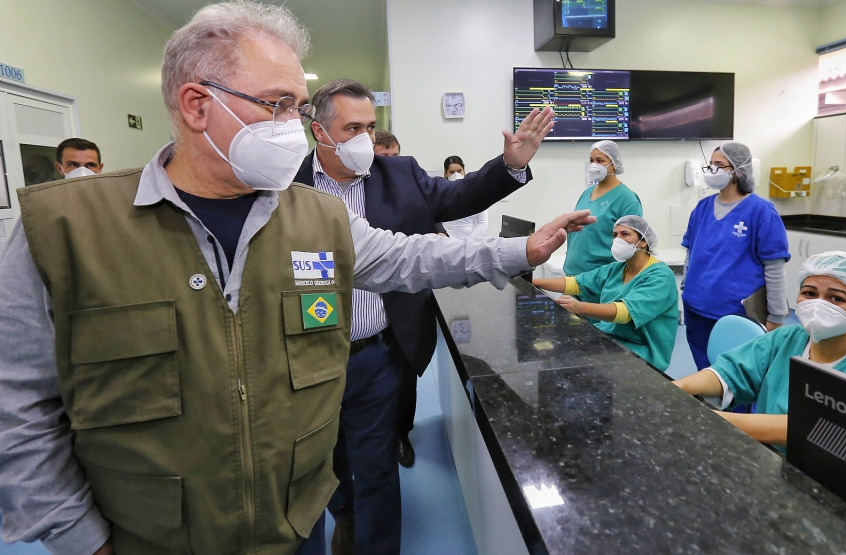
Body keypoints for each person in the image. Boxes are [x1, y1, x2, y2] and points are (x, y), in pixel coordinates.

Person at [0, 3, 591, 554]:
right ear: (197, 104)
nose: (293, 123)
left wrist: (520, 250)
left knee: (370, 471)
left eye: (297, 107)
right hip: (152, 532)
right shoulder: (60, 229)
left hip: (292, 518)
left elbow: (409, 258)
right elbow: (18, 406)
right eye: (277, 104)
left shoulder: (314, 215)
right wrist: (83, 540)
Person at [294, 80, 554, 554]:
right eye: (352, 128)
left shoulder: (399, 174)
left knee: (376, 467)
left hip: (374, 352)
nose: (364, 141)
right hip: (304, 361)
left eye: (370, 128)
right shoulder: (288, 183)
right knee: (322, 464)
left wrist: (511, 166)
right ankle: (344, 515)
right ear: (318, 131)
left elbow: (459, 198)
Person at [673, 251, 846, 449]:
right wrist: (673, 390)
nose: (818, 304)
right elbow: (730, 372)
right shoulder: (787, 340)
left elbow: (824, 429)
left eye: (836, 298)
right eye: (809, 293)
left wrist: (714, 420)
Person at [680, 142, 790, 370]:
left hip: (735, 313)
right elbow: (691, 254)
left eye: (719, 165)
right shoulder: (702, 208)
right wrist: (686, 286)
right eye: (710, 165)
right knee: (704, 370)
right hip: (697, 307)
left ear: (738, 170)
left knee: (736, 376)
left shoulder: (760, 211)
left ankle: (731, 409)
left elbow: (774, 267)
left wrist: (777, 316)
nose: (712, 170)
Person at [533, 216, 679, 370]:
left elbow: (625, 312)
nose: (618, 240)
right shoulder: (617, 268)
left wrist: (578, 307)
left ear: (643, 241)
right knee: (555, 350)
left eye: (625, 234)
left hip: (641, 350)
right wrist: (533, 281)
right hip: (610, 338)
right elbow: (575, 283)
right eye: (615, 235)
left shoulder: (660, 277)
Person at [563, 139, 642, 275]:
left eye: (600, 161)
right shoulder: (587, 193)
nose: (594, 165)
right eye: (592, 160)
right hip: (573, 274)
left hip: (601, 278)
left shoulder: (627, 199)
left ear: (614, 164)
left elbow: (632, 245)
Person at [441, 155, 488, 239]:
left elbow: (482, 223)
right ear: (446, 173)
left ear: (464, 170)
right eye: (452, 172)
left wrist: (469, 242)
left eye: (459, 171)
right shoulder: (440, 192)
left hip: (469, 239)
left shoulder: (476, 191)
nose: (456, 174)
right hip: (446, 239)